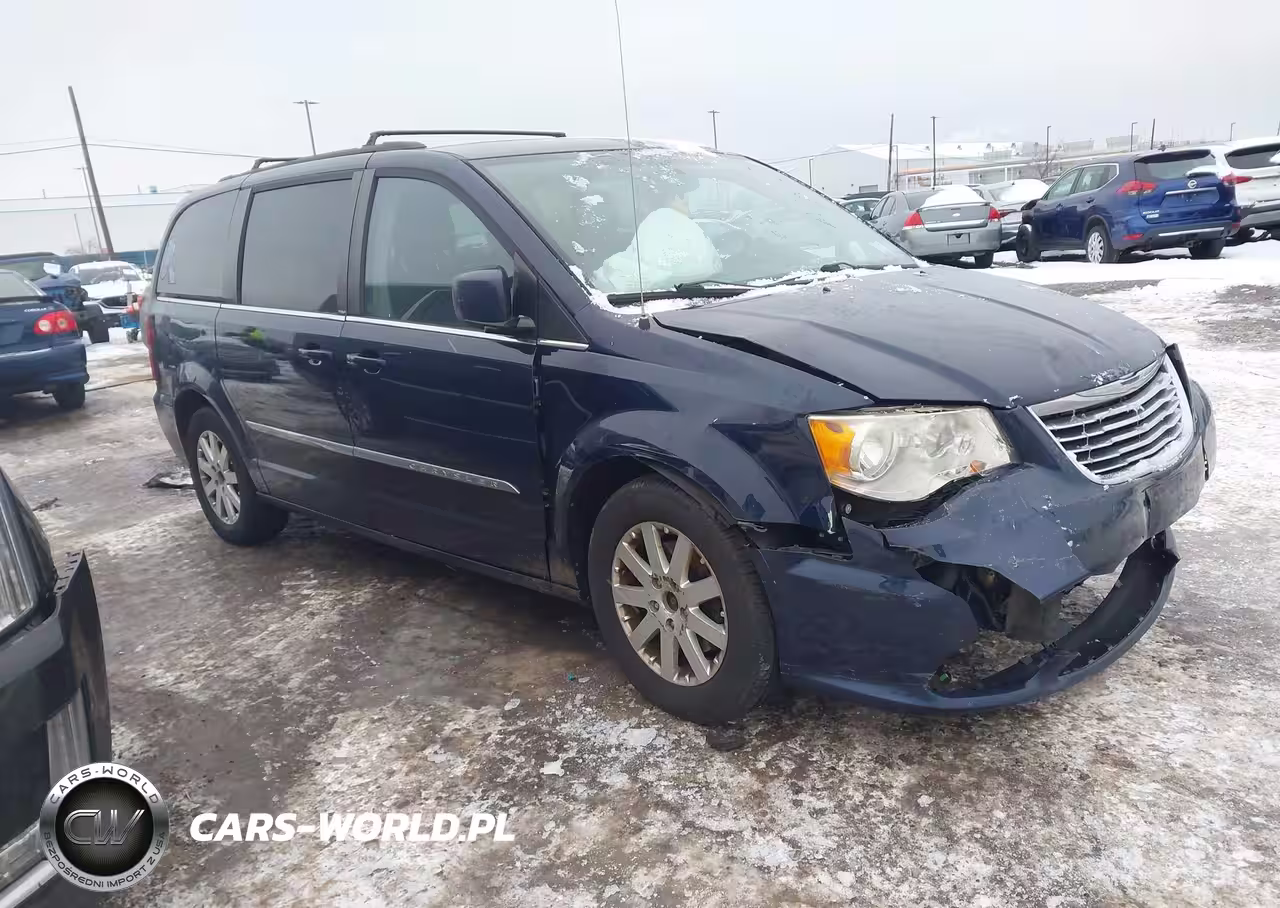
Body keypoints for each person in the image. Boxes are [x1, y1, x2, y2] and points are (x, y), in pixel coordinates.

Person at [593, 180, 722, 293]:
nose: (689, 208)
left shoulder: (612, 268)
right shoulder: (669, 222)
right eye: (685, 199)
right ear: (676, 198)